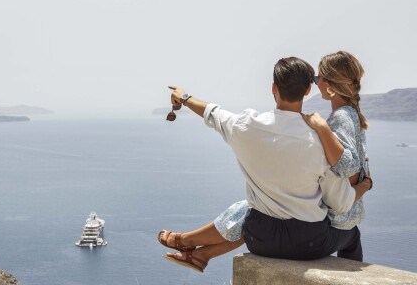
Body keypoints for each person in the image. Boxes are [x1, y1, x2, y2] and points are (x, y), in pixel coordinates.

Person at [158, 55, 373, 273]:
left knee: (247, 210)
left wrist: (184, 97)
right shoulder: (321, 141)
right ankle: (193, 248)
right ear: (307, 91)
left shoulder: (245, 126)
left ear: (274, 88)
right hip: (309, 245)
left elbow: (211, 112)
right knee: (351, 234)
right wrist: (364, 185)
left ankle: (196, 251)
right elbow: (340, 203)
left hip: (260, 239)